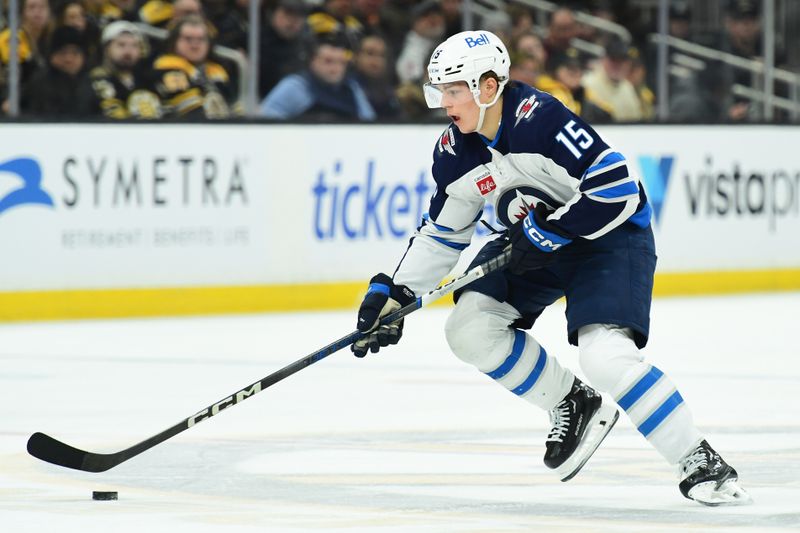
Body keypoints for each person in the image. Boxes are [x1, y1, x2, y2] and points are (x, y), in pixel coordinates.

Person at [350, 29, 751, 506]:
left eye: (453, 90)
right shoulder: (454, 152)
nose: (444, 103)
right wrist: (394, 292)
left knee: (605, 357)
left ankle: (699, 458)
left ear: (488, 87)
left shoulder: (540, 118)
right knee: (469, 329)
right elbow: (442, 233)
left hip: (608, 238)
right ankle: (571, 402)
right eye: (439, 91)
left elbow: (616, 187)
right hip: (532, 245)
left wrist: (552, 231)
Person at [259, 34, 375, 121]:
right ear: (313, 61)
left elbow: (370, 124)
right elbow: (266, 120)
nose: (335, 68)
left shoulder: (352, 89)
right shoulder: (296, 87)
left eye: (341, 63)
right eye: (328, 61)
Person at [152, 14, 234, 118]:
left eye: (201, 39)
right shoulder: (166, 65)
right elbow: (189, 110)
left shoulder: (217, 70)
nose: (195, 45)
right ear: (174, 41)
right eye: (188, 39)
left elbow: (232, 105)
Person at [89, 20, 161, 118]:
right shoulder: (94, 81)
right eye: (121, 45)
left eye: (134, 46)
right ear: (106, 49)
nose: (128, 51)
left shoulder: (148, 81)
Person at [23, 25, 94, 115]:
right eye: (62, 52)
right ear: (52, 56)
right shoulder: (39, 83)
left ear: (84, 57)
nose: (68, 59)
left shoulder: (94, 82)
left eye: (75, 53)